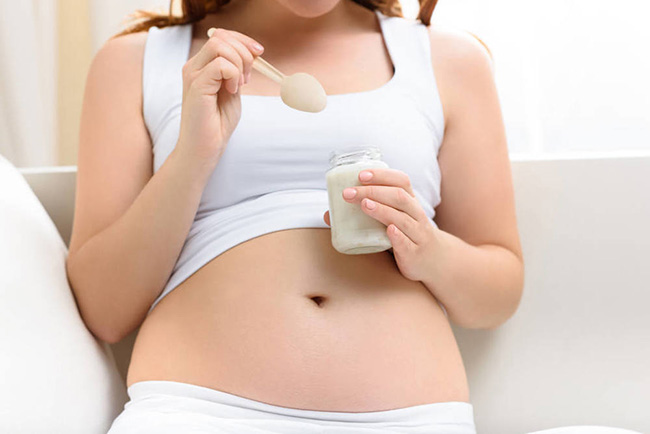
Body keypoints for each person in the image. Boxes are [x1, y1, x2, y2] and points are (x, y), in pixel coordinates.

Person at [65, 0, 524, 432]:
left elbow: (499, 294)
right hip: (196, 411)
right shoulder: (134, 63)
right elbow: (105, 311)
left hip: (409, 419)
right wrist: (192, 156)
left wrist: (430, 250)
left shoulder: (450, 60)